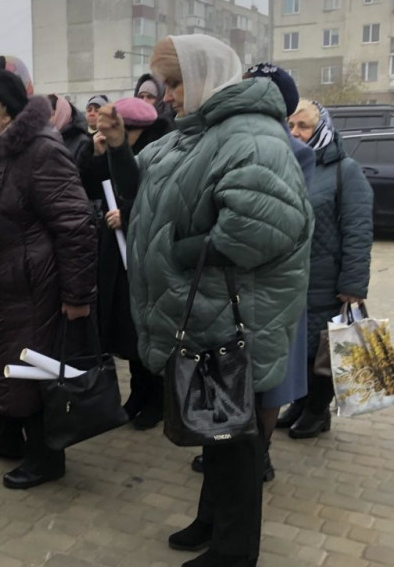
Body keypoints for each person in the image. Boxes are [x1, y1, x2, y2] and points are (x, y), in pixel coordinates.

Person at [127, 35, 313, 567]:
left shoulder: (252, 136)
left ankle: (234, 552)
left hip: (237, 315)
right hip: (209, 311)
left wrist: (179, 250)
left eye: (177, 84)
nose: (169, 97)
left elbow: (263, 229)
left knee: (237, 442)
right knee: (217, 427)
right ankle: (212, 522)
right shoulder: (199, 134)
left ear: (208, 79)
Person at [0, 55, 97, 490]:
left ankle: (45, 456)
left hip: (33, 287)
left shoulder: (39, 150)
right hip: (0, 284)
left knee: (34, 370)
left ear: (6, 113)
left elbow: (75, 224)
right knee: (1, 359)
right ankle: (5, 435)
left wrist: (76, 296)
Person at [283, 100, 373, 439]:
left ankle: (318, 412)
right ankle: (299, 404)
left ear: (323, 128)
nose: (295, 133)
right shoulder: (289, 164)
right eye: (291, 125)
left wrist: (353, 283)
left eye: (303, 126)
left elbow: (358, 228)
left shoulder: (343, 169)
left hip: (326, 279)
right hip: (293, 279)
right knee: (301, 348)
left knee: (325, 348)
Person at [87, 97, 171, 431]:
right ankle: (137, 393)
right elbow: (91, 183)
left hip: (146, 259)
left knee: (147, 331)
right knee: (128, 329)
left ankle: (158, 399)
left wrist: (129, 216)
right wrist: (97, 153)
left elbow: (162, 206)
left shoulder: (158, 154)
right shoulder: (113, 151)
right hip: (118, 257)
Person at [48, 94, 92, 175]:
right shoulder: (46, 139)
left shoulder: (82, 141)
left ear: (62, 114)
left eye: (51, 114)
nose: (47, 120)